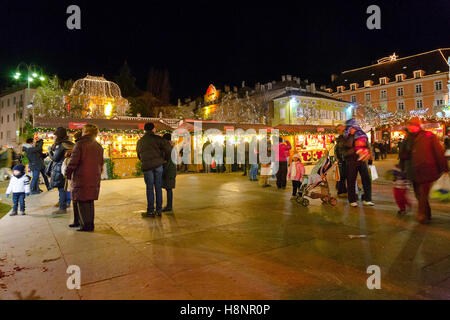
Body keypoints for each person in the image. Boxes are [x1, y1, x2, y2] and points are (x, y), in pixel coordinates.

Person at [399, 117, 448, 224]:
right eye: (409, 125)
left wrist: (444, 168)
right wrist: (402, 166)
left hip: (427, 170)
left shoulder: (429, 136)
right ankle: (427, 213)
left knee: (423, 194)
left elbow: (438, 153)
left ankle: (421, 214)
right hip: (413, 171)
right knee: (418, 195)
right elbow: (403, 155)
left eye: (412, 124)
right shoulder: (407, 139)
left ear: (418, 125)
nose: (410, 127)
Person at [66, 124, 104, 231]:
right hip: (93, 176)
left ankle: (86, 226)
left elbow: (73, 162)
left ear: (86, 132)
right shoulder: (98, 146)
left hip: (81, 177)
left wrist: (68, 173)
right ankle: (88, 224)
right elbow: (101, 163)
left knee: (82, 202)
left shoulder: (80, 144)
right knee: (89, 202)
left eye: (83, 130)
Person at [137, 122, 172, 217]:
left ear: (145, 130)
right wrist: (165, 159)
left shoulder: (140, 141)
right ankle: (159, 210)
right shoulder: (158, 139)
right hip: (158, 165)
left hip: (147, 166)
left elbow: (139, 154)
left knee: (149, 188)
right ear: (153, 129)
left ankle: (150, 210)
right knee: (158, 187)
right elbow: (168, 148)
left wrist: (144, 161)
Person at [343, 118, 374, 207]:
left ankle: (367, 199)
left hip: (362, 160)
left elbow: (367, 145)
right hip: (351, 161)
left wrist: (369, 155)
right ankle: (352, 200)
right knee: (351, 180)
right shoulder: (346, 135)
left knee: (366, 179)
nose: (354, 127)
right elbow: (346, 148)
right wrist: (352, 136)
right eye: (352, 126)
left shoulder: (361, 134)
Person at [49, 127, 74, 214]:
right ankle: (65, 202)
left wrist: (49, 152)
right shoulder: (70, 143)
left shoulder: (61, 145)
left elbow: (55, 159)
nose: (54, 137)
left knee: (61, 188)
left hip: (60, 168)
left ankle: (62, 208)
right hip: (68, 167)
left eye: (55, 135)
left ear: (58, 135)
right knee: (66, 186)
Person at [162, 133, 176, 212]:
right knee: (169, 189)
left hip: (169, 171)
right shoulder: (172, 148)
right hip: (172, 170)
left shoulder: (168, 149)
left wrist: (164, 171)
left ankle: (169, 206)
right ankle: (169, 205)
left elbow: (167, 162)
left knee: (169, 189)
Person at [335, 124, 348, 198]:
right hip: (342, 160)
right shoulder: (339, 139)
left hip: (348, 159)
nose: (340, 131)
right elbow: (336, 150)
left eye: (342, 130)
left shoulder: (347, 137)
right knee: (342, 176)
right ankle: (341, 191)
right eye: (338, 130)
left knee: (346, 176)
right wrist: (337, 158)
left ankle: (344, 190)